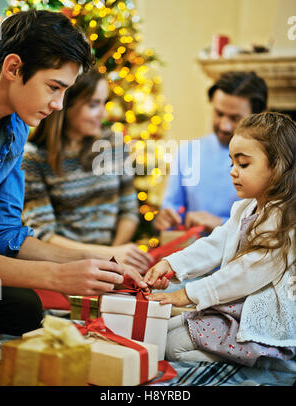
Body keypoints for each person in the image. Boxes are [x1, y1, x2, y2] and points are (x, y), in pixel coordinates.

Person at [0, 9, 147, 336]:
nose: (59, 105)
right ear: (13, 67)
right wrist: (56, 276)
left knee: (24, 308)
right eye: (54, 87)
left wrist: (97, 261)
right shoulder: (34, 148)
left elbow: (5, 235)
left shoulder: (17, 128)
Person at [144, 111, 296, 366]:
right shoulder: (245, 208)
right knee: (161, 332)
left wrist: (188, 294)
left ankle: (269, 370)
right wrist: (172, 264)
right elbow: (214, 245)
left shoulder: (284, 221)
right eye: (232, 163)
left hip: (256, 319)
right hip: (233, 307)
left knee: (171, 347)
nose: (233, 172)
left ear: (277, 167)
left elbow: (247, 271)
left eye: (243, 164)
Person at [21, 69, 152, 273]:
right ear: (66, 105)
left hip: (112, 261)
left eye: (104, 102)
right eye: (93, 104)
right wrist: (103, 257)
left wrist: (113, 255)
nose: (104, 113)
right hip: (62, 268)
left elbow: (129, 210)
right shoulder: (33, 157)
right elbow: (44, 234)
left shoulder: (113, 144)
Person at [154, 71, 268, 234]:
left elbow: (273, 224)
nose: (224, 126)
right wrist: (165, 219)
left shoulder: (272, 161)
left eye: (235, 118)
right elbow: (171, 209)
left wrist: (221, 223)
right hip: (191, 253)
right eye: (219, 113)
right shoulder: (187, 152)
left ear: (258, 116)